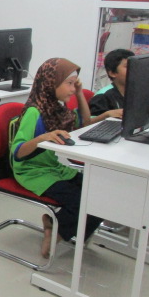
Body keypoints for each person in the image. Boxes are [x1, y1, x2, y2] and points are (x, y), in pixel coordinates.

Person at [10, 58, 104, 258]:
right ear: (51, 83)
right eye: (69, 84)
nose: (72, 88)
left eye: (75, 84)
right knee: (81, 200)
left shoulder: (58, 109)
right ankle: (57, 233)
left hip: (52, 167)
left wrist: (80, 93)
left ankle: (58, 226)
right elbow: (18, 153)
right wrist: (41, 138)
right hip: (32, 172)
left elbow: (85, 124)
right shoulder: (34, 111)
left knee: (99, 192)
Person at [89, 48, 134, 117]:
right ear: (112, 73)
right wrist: (106, 115)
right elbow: (91, 122)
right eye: (127, 66)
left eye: (134, 65)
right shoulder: (102, 96)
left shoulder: (137, 91)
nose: (133, 69)